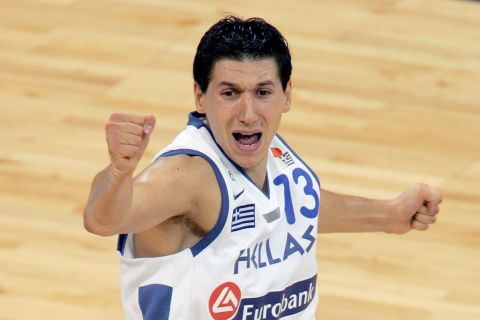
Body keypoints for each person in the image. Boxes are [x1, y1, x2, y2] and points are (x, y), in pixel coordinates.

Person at [83, 16, 442, 320]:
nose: (249, 113)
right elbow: (104, 220)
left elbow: (297, 210)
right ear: (199, 97)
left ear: (287, 96)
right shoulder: (188, 175)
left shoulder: (273, 154)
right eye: (229, 92)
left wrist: (388, 215)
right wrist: (118, 173)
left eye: (263, 92)